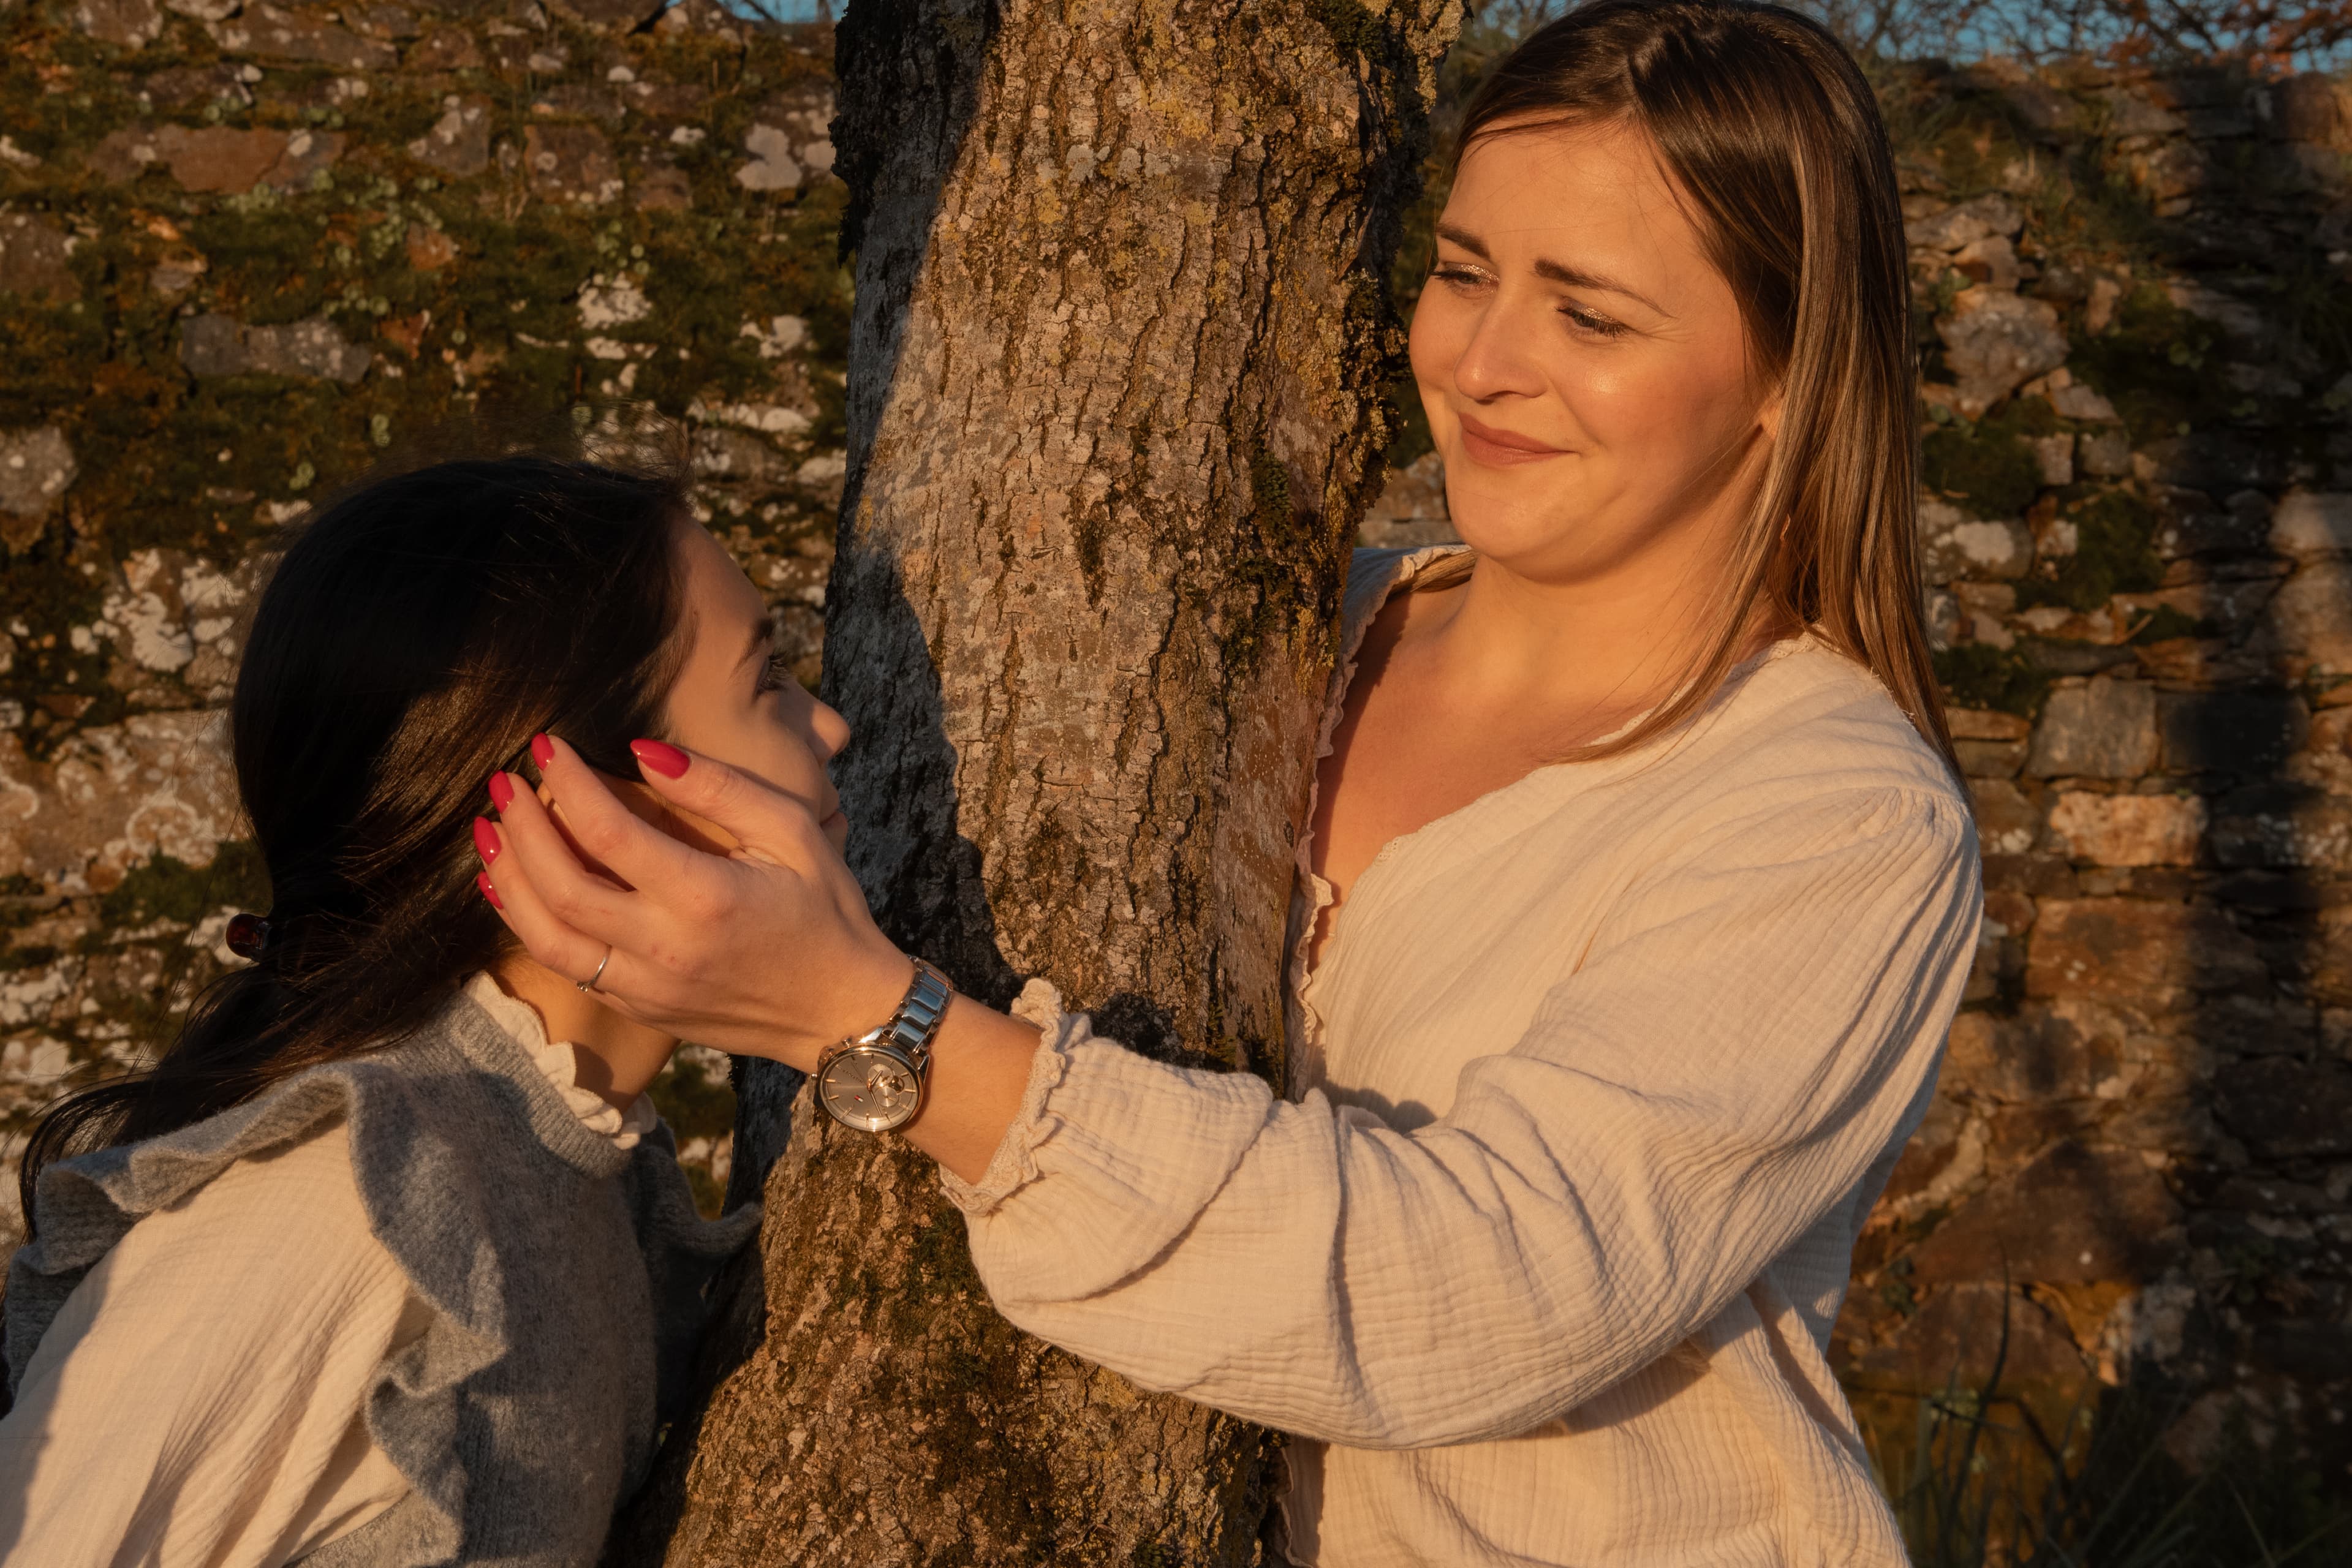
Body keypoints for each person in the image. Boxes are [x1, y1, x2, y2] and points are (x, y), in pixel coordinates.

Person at [479, 2, 1981, 1562]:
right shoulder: (1270, 618)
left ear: (1787, 377)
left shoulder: (1836, 813)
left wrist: (878, 1025)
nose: (1480, 361)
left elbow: (1483, 1290)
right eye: (1464, 270)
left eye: (1590, 316)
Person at [0, 453, 852, 1566]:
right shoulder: (353, 1200)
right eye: (767, 679)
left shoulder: (579, 1167)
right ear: (584, 800)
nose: (830, 726)